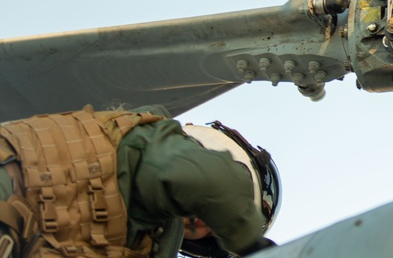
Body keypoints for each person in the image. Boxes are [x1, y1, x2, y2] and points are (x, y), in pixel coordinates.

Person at [0, 105, 279, 258]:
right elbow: (207, 178)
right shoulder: (147, 148)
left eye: (211, 233)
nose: (202, 224)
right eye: (214, 216)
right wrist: (253, 247)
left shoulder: (138, 236)